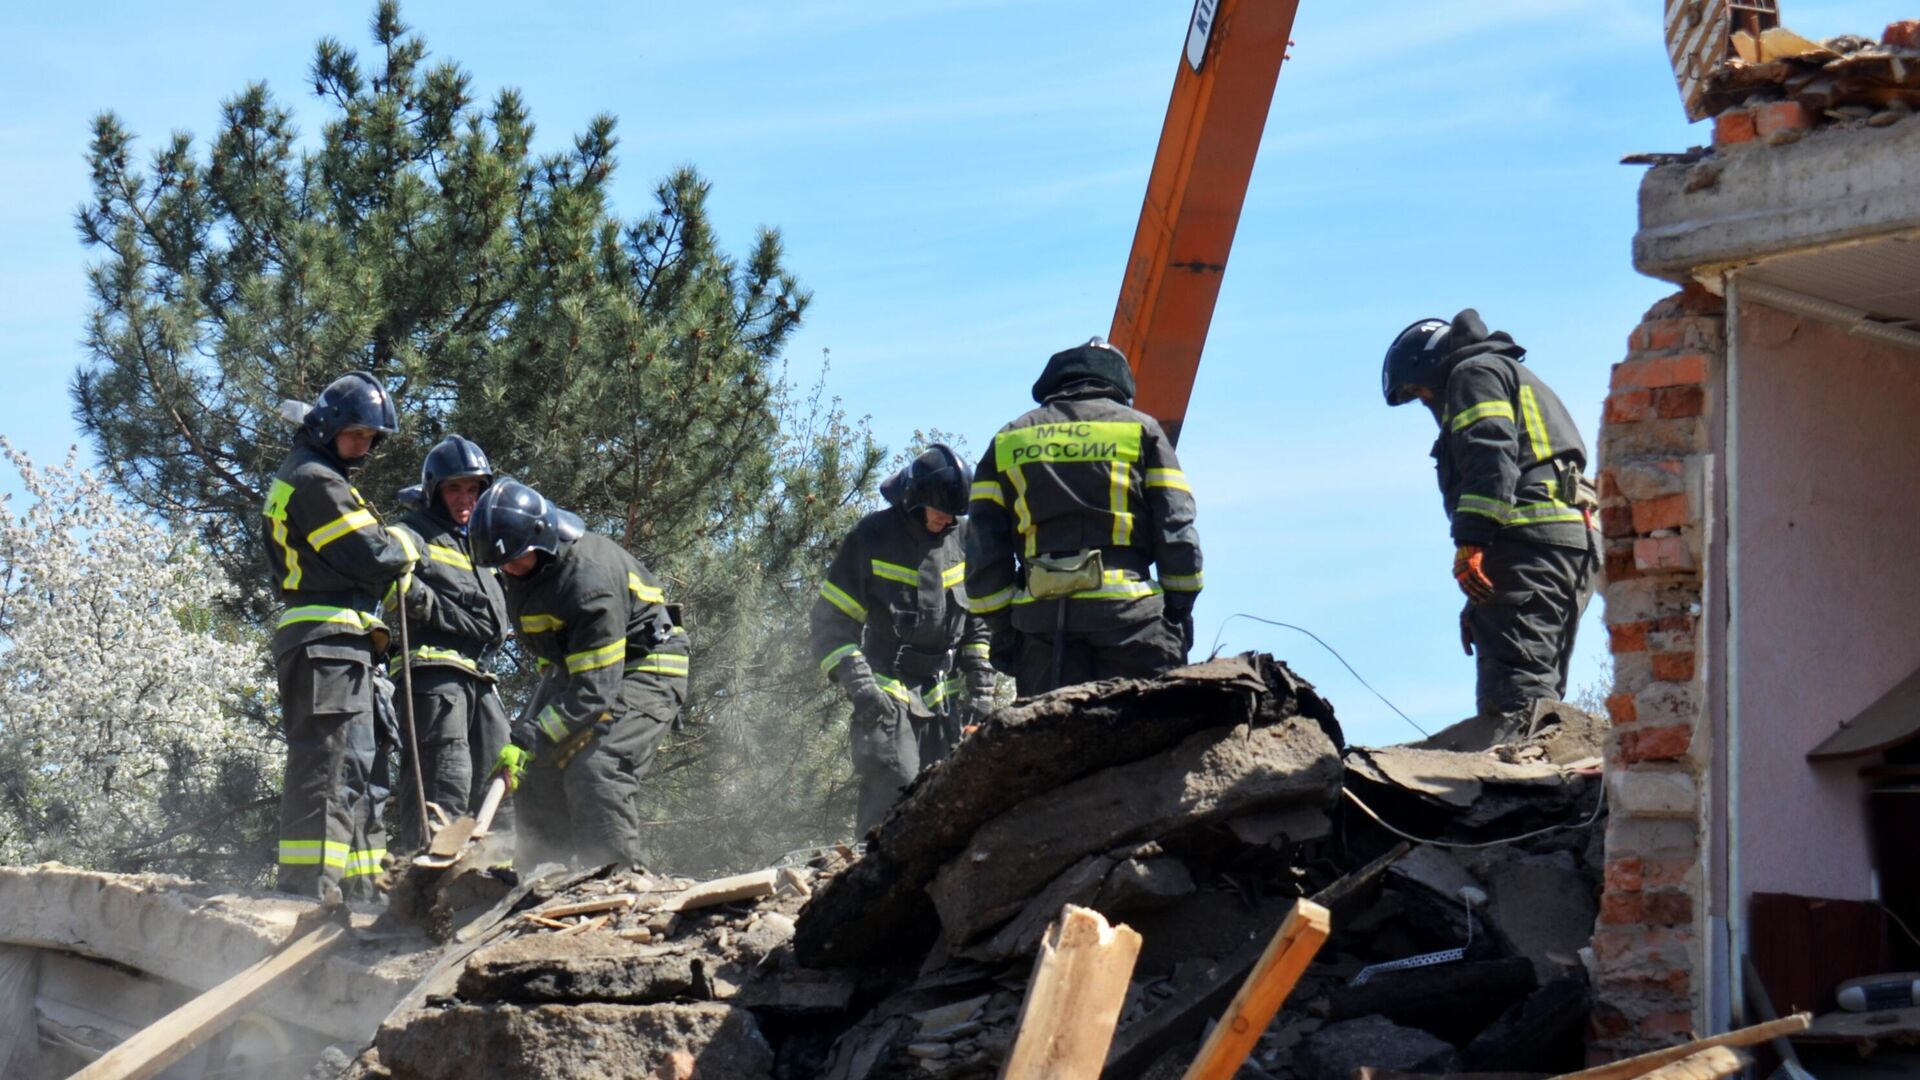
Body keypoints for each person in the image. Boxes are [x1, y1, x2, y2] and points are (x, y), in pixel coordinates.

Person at [1381, 308, 1602, 737]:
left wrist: (1471, 543)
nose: (1425, 399)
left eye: (1420, 389)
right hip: (1561, 542)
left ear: (1429, 365)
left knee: (1516, 700)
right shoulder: (1506, 372)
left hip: (1531, 539)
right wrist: (1483, 599)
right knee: (1538, 691)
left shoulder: (1473, 373)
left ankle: (1522, 796)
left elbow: (1490, 456)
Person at [965, 337, 1203, 697]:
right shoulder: (1142, 430)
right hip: (1131, 620)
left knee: (1050, 744)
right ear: (1118, 386)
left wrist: (1006, 628)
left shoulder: (1008, 440)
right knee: (1152, 736)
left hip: (1041, 626)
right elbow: (1176, 530)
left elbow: (984, 550)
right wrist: (1179, 610)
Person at [470, 479, 688, 868]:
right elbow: (561, 667)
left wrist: (536, 730)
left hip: (647, 668)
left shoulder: (588, 583)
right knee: (535, 770)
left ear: (542, 538)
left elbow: (594, 690)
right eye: (501, 564)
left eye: (516, 558)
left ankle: (615, 880)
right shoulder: (526, 572)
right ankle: (537, 875)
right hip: (588, 671)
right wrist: (528, 736)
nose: (508, 568)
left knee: (597, 768)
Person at [261, 372, 414, 900]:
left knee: (363, 773)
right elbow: (373, 557)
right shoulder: (317, 481)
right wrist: (405, 546)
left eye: (372, 438)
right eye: (356, 435)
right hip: (325, 642)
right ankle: (307, 893)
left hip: (345, 646)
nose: (364, 448)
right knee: (327, 770)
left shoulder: (320, 475)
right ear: (326, 427)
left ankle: (365, 894)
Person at [810, 444, 996, 834]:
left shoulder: (963, 538)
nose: (946, 520)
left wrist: (981, 688)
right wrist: (860, 686)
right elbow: (831, 622)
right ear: (914, 500)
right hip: (884, 686)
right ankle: (869, 878)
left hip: (942, 695)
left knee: (947, 795)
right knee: (896, 782)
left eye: (953, 514)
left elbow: (977, 623)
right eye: (940, 511)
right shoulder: (872, 537)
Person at [385, 435, 512, 849]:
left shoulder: (478, 543)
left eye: (473, 489)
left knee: (502, 783)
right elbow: (383, 571)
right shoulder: (412, 532)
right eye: (455, 488)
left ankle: (494, 886)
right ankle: (425, 886)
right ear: (434, 491)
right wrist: (434, 606)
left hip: (479, 679)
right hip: (435, 681)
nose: (465, 499)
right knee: (445, 781)